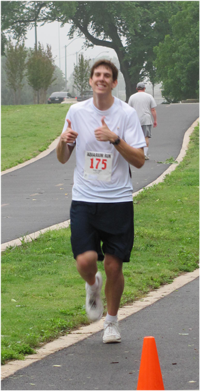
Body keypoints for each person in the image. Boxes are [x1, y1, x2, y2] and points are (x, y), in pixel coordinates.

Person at [56, 60, 146, 344]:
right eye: (98, 74)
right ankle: (92, 284)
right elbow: (62, 157)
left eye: (108, 75)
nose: (102, 79)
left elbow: (140, 161)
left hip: (117, 199)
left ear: (114, 82)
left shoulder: (126, 114)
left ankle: (111, 321)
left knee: (113, 266)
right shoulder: (76, 111)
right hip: (84, 198)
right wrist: (62, 140)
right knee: (85, 261)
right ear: (91, 80)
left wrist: (114, 139)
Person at [128, 82, 157, 160]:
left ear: (137, 88)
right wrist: (155, 120)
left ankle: (135, 154)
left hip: (135, 120)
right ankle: (144, 154)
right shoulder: (149, 96)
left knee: (136, 137)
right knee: (146, 137)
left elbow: (129, 110)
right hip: (146, 119)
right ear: (144, 88)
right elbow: (153, 109)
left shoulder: (132, 97)